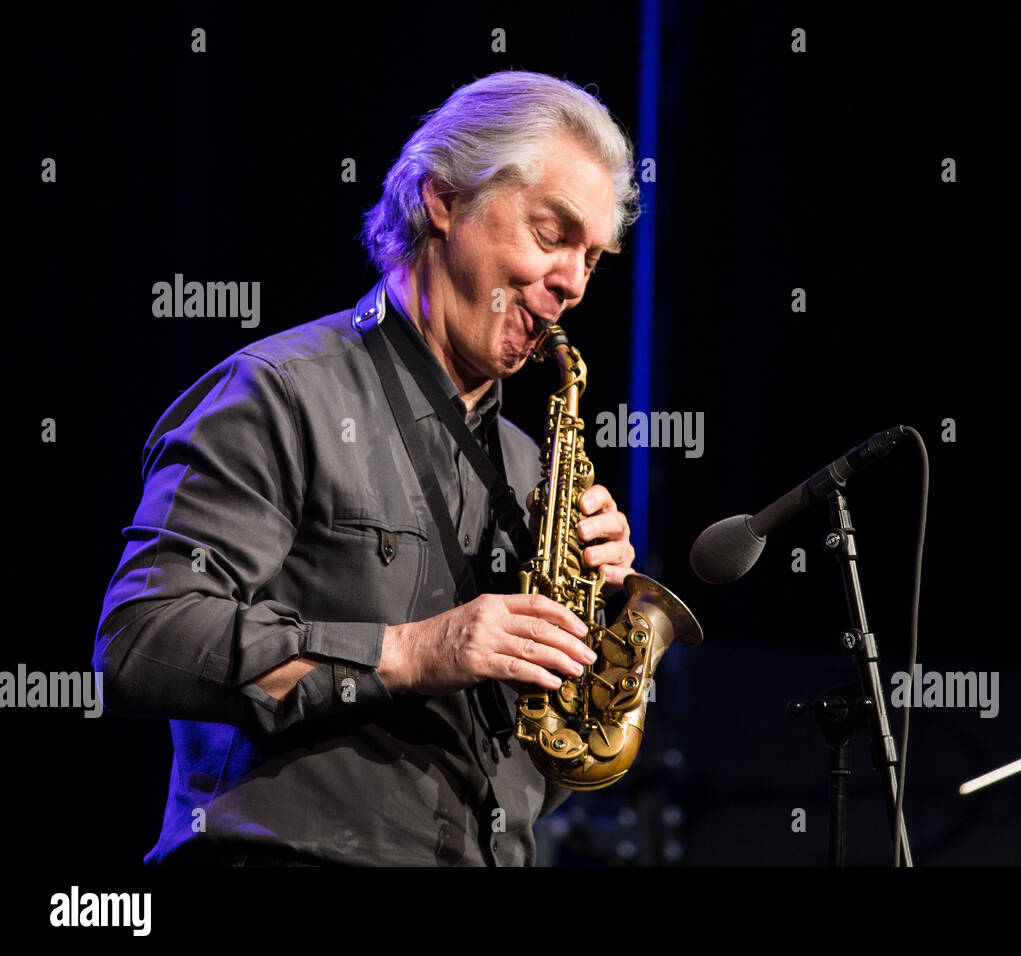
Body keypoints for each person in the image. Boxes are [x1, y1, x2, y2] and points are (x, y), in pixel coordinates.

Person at [94, 70, 641, 866]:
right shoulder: (280, 394)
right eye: (552, 235)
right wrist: (414, 651)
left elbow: (540, 775)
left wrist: (594, 633)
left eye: (594, 257)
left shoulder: (532, 468)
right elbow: (141, 645)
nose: (574, 283)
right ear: (442, 199)